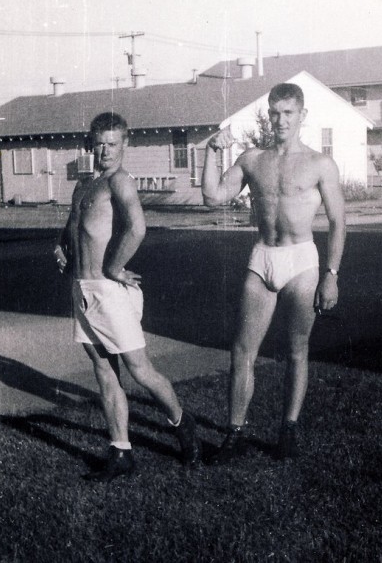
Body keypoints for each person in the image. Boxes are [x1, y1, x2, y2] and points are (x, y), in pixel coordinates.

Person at [202, 83, 346, 462]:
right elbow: (213, 196)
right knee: (241, 351)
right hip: (262, 256)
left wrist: (331, 274)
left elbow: (338, 222)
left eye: (288, 113)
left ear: (302, 115)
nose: (280, 120)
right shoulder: (253, 159)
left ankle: (288, 431)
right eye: (274, 113)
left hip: (302, 262)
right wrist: (211, 152)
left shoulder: (319, 164)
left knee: (297, 350)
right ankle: (234, 434)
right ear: (268, 114)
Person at [55, 112, 201, 481]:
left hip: (108, 290)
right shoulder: (83, 185)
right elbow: (73, 227)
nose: (105, 150)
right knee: (104, 370)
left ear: (125, 144)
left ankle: (182, 423)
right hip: (82, 289)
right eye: (99, 143)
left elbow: (137, 227)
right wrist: (61, 247)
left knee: (140, 370)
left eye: (112, 143)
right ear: (91, 145)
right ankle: (121, 452)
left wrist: (114, 268)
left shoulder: (119, 182)